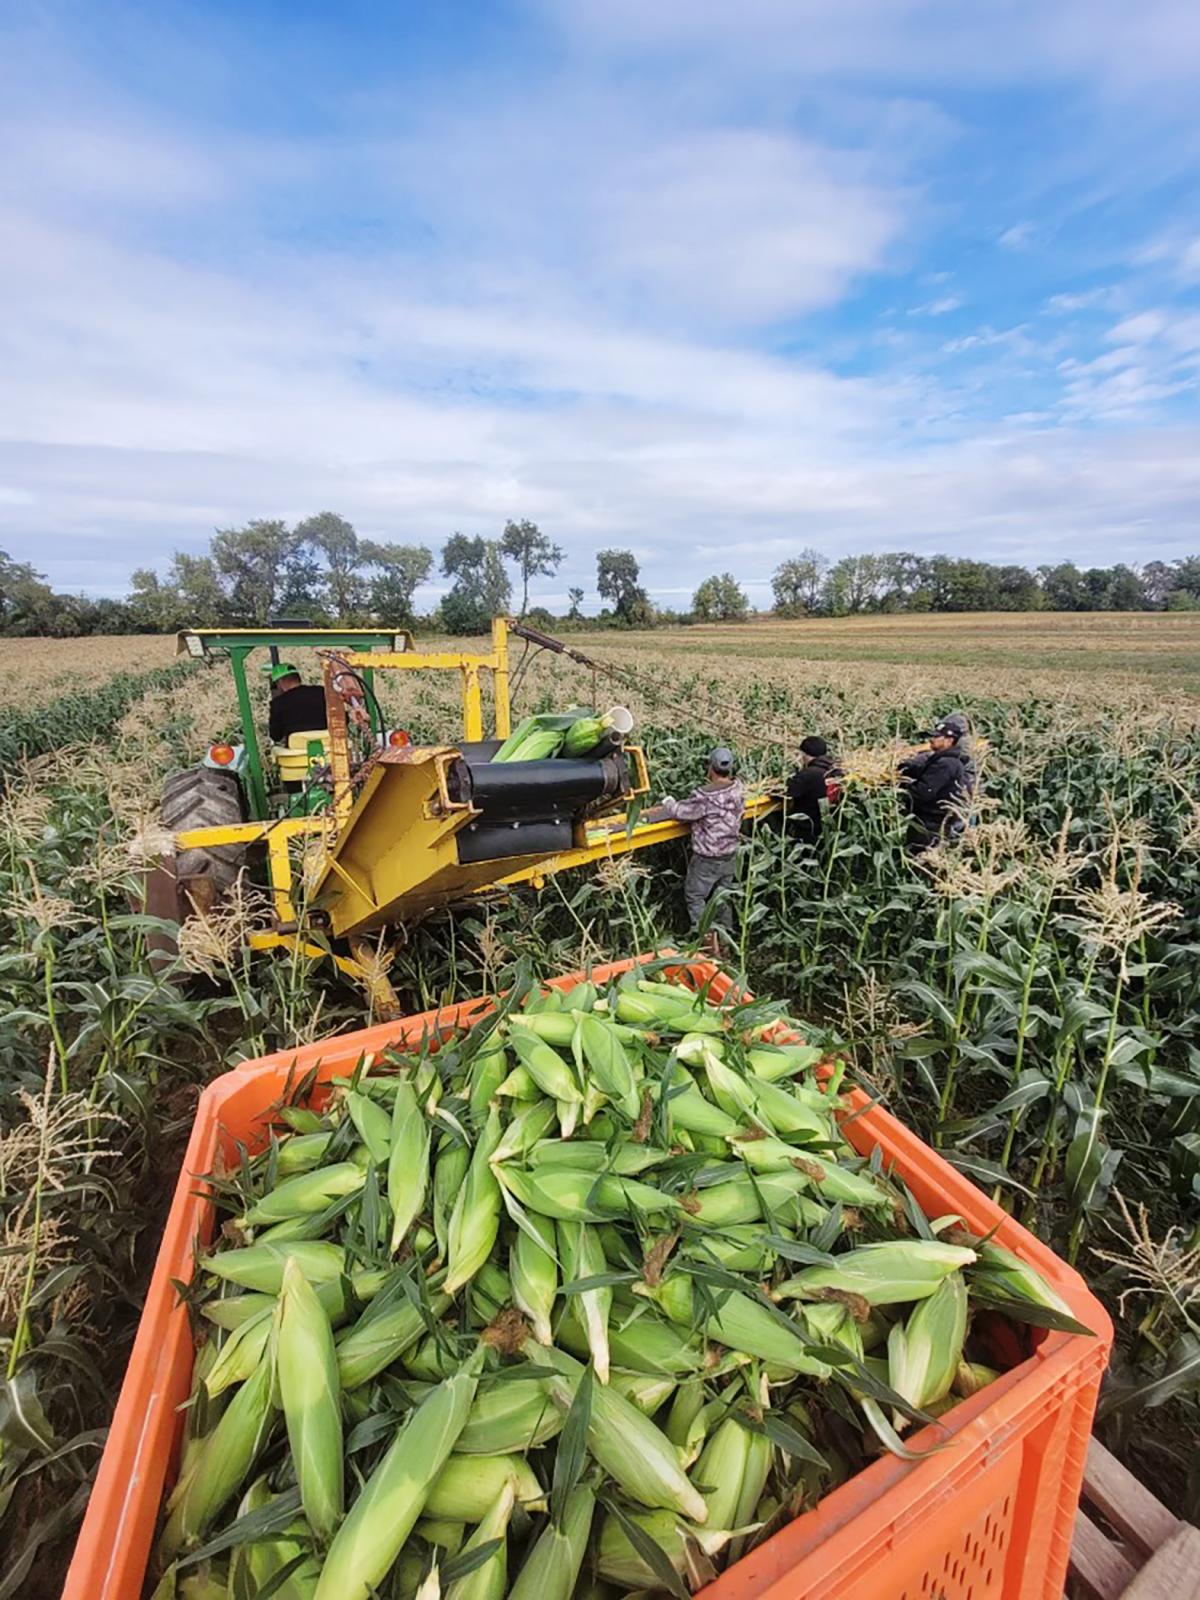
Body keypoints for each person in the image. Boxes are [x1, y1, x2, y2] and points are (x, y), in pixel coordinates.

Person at [656, 746, 746, 945]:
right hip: (730, 854)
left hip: (708, 857)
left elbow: (681, 812)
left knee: (695, 896)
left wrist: (668, 802)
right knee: (723, 897)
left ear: (710, 769)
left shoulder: (705, 796)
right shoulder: (738, 788)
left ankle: (707, 941)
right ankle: (725, 942)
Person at [898, 713, 975, 851]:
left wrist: (900, 788)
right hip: (939, 820)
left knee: (923, 858)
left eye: (936, 736)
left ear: (949, 741)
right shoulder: (945, 759)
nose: (931, 740)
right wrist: (906, 768)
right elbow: (924, 768)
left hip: (933, 822)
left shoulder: (946, 764)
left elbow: (923, 792)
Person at [785, 735, 842, 844]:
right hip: (827, 827)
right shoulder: (835, 771)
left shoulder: (809, 774)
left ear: (805, 754)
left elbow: (788, 791)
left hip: (808, 829)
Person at [267, 664, 329, 745]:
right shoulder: (323, 692)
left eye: (275, 686)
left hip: (296, 752)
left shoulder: (278, 703)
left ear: (280, 683)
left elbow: (275, 736)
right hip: (328, 747)